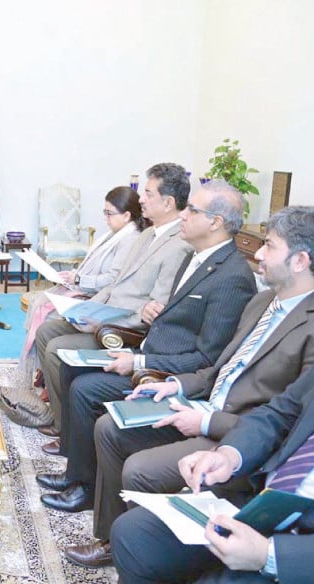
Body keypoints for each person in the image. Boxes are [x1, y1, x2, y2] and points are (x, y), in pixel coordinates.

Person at [59, 205, 314, 569]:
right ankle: (111, 538)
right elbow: (219, 368)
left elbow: (287, 420)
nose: (257, 252)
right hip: (201, 405)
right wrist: (175, 385)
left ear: (300, 260)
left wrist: (209, 422)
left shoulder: (307, 324)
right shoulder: (263, 301)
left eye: (269, 246)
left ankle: (139, 546)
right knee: (110, 428)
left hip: (232, 431)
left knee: (139, 468)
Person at [35, 182, 257, 556]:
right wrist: (157, 314)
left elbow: (208, 358)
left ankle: (101, 521)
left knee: (88, 392)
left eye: (193, 212)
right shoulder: (196, 257)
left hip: (169, 373)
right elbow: (176, 316)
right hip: (149, 350)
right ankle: (81, 479)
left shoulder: (232, 277)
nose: (184, 216)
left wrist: (141, 361)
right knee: (76, 376)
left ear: (216, 222)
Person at [111, 364, 314, 583]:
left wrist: (269, 556)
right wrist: (230, 454)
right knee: (132, 535)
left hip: (299, 549)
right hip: (268, 503)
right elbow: (280, 413)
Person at [34, 162, 193, 432]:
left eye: (148, 194)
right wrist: (88, 308)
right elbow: (116, 283)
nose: (141, 198)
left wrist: (101, 322)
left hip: (122, 328)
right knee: (47, 330)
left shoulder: (179, 245)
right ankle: (59, 414)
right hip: (104, 314)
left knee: (56, 348)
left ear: (167, 203)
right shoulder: (147, 235)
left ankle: (65, 429)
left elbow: (155, 309)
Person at [20, 186, 146, 381]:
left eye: (109, 213)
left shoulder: (130, 239)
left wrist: (79, 279)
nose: (105, 217)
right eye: (104, 212)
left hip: (97, 296)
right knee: (39, 302)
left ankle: (47, 372)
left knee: (48, 312)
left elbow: (112, 279)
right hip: (84, 287)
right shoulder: (113, 234)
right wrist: (73, 275)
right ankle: (44, 371)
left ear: (127, 215)